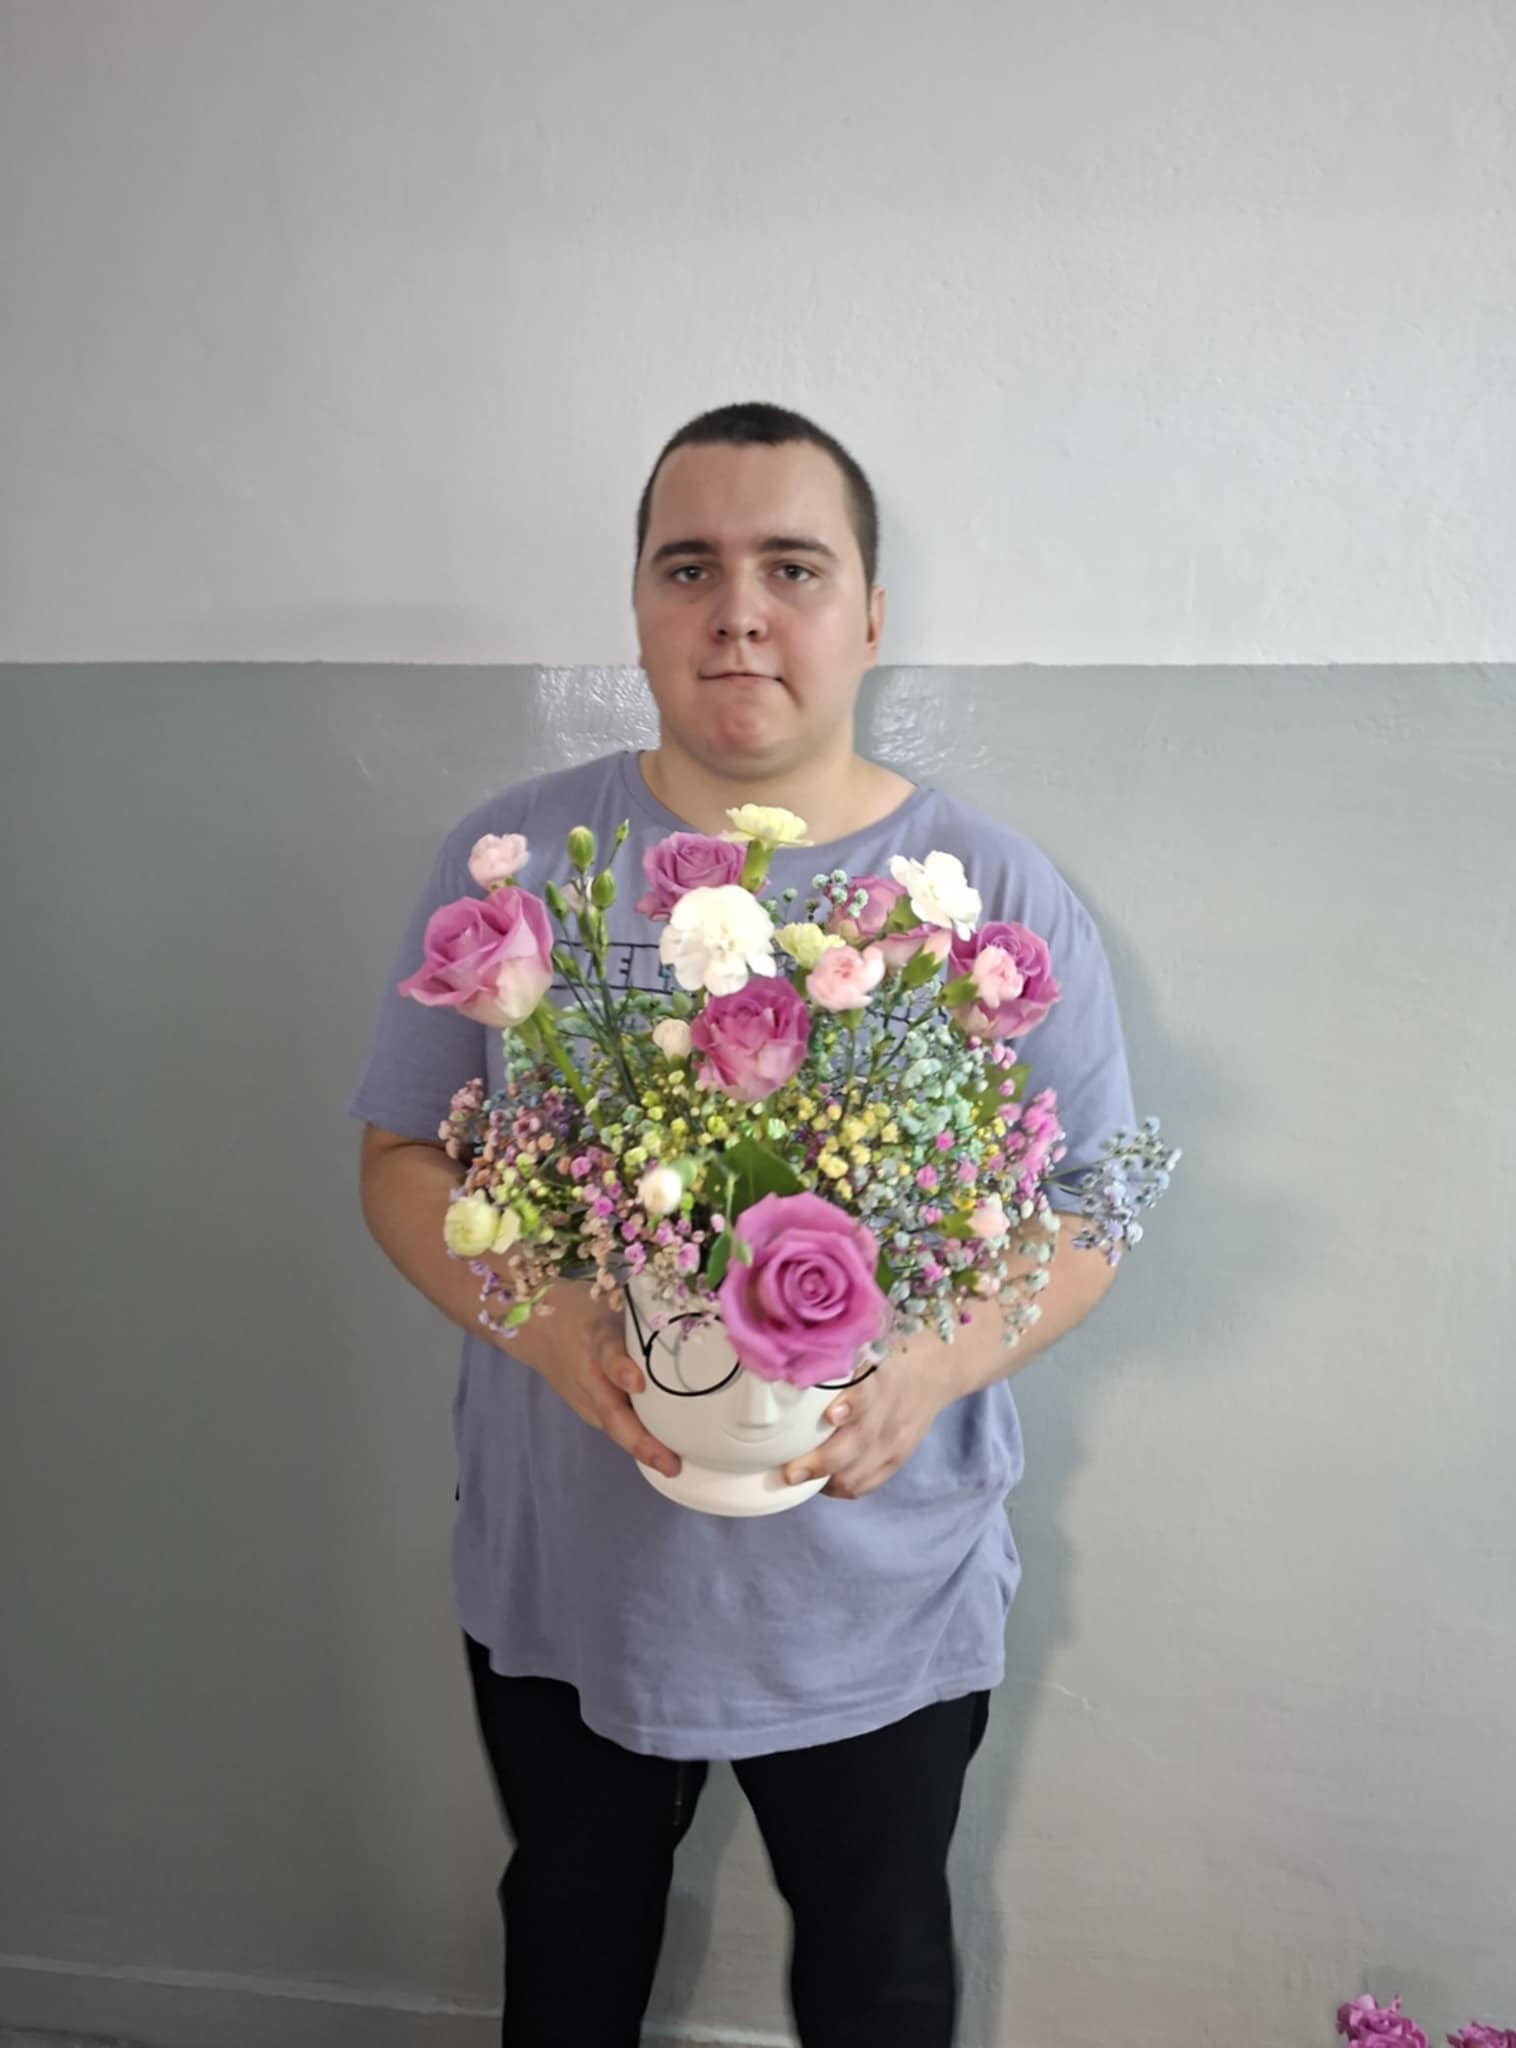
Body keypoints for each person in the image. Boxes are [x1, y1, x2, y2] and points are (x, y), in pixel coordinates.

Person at [349, 402, 1136, 2048]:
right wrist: (545, 1322)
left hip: (879, 1583)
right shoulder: (525, 874)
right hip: (572, 1574)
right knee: (570, 1949)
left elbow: (1099, 1201)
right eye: (689, 568)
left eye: (793, 567)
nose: (740, 614)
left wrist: (930, 1372)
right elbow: (401, 1155)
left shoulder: (985, 891)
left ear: (871, 614)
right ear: (639, 602)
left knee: (879, 1975)